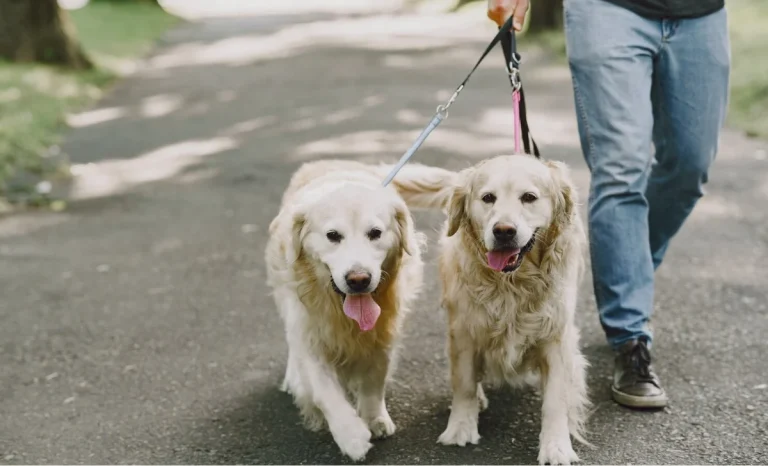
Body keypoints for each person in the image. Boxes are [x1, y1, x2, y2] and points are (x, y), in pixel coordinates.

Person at [487, 0, 730, 408]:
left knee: (690, 166)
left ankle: (626, 262)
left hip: (700, 13)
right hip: (607, 10)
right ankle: (629, 338)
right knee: (621, 167)